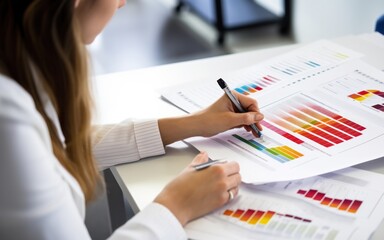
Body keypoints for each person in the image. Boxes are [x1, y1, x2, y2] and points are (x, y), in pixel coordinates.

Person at [0, 0, 264, 239]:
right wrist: (176, 205)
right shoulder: (7, 116)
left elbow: (61, 145)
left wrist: (192, 123)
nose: (123, 3)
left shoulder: (20, 63)